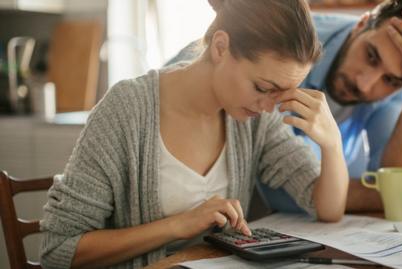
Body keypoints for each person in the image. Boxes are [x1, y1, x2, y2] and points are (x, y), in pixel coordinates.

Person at [39, 0, 349, 268]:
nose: (269, 107)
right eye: (263, 88)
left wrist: (331, 143)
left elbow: (327, 208)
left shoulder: (254, 119)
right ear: (220, 47)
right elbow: (59, 251)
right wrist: (177, 225)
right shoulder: (127, 110)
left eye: (280, 94)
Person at [168, 0, 402, 214]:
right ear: (362, 24)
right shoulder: (290, 52)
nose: (366, 84)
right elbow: (287, 192)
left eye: (390, 80)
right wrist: (395, 196)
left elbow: (398, 191)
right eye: (371, 56)